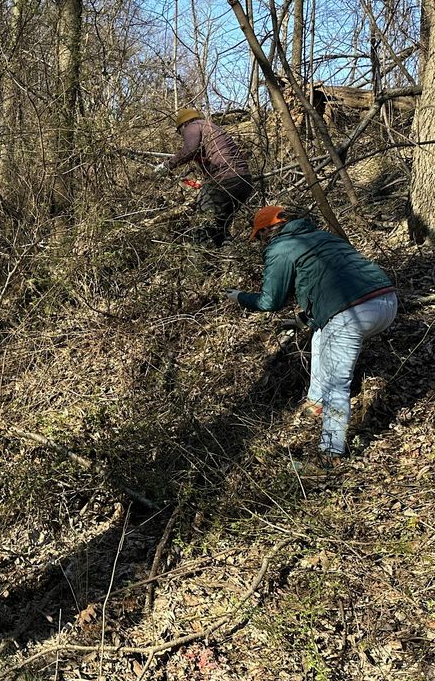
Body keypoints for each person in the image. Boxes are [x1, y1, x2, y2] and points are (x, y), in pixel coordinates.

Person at [226, 206, 397, 462]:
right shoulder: (323, 236)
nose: (260, 242)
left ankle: (330, 453)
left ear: (266, 231)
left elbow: (270, 301)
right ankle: (315, 403)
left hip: (351, 314)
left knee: (338, 385)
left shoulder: (280, 248)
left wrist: (239, 297)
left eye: (259, 236)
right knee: (319, 334)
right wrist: (303, 319)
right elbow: (332, 282)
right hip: (387, 302)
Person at [153, 106, 253, 246]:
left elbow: (189, 150)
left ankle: (202, 259)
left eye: (180, 132)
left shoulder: (193, 126)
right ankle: (227, 257)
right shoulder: (212, 129)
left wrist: (167, 165)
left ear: (183, 125)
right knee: (219, 228)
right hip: (244, 181)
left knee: (202, 224)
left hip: (225, 178)